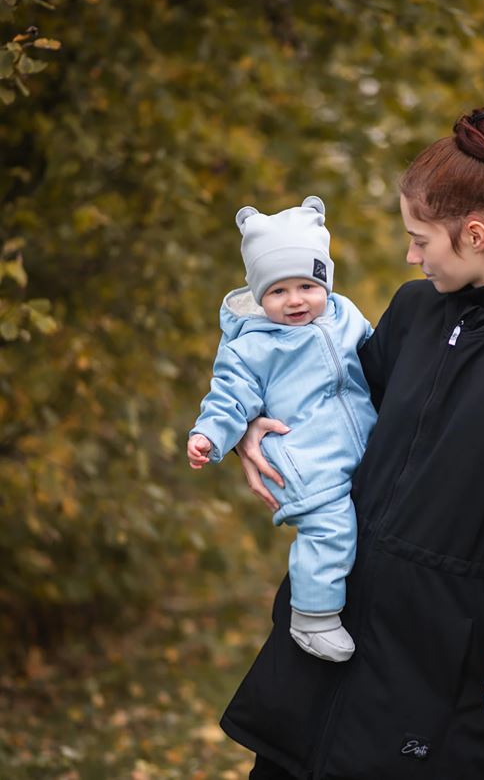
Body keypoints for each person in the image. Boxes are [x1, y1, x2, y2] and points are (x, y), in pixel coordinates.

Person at [220, 103, 484, 780]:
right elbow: (336, 401)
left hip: (441, 640)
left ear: (472, 233)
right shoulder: (414, 310)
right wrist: (251, 421)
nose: (409, 255)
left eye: (419, 239)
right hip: (341, 606)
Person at [187, 196, 377, 663]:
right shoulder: (251, 348)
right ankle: (312, 619)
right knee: (330, 531)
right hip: (305, 459)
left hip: (366, 447)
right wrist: (209, 436)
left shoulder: (344, 314)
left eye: (307, 285)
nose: (295, 300)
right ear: (259, 294)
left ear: (325, 283)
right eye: (278, 291)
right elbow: (229, 396)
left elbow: (377, 352)